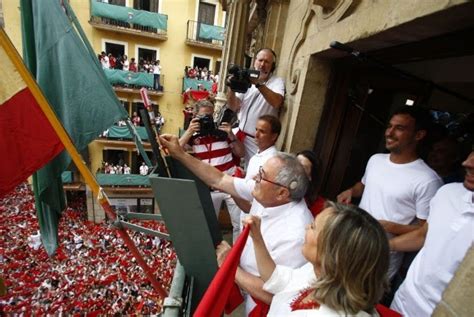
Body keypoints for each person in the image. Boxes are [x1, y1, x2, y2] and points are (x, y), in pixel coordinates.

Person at [159, 134, 313, 315]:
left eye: (262, 175)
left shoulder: (296, 233)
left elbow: (276, 294)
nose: (255, 176)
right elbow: (219, 180)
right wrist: (180, 154)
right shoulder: (267, 191)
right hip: (246, 292)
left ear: (282, 193)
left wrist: (230, 266)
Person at [337, 106, 443, 280]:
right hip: (350, 241)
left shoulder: (428, 180)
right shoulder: (376, 159)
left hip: (379, 259)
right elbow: (363, 185)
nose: (390, 132)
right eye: (389, 126)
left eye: (399, 128)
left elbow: (426, 231)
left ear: (419, 135)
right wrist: (350, 191)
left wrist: (389, 227)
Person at [242, 201, 389, 316]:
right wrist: (257, 238)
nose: (306, 227)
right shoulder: (318, 272)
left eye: (313, 226)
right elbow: (277, 279)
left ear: (331, 253)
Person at [390, 150, 474, 316]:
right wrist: (379, 245)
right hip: (401, 303)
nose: (468, 163)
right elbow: (424, 235)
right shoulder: (448, 192)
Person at [179, 100, 245, 241]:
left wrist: (231, 136)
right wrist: (190, 131)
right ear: (195, 116)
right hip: (210, 187)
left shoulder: (223, 132)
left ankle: (237, 258)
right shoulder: (193, 137)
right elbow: (175, 150)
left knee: (239, 224)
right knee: (209, 225)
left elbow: (241, 153)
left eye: (209, 116)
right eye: (203, 116)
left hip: (230, 183)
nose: (207, 119)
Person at [227, 48, 285, 166]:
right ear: (255, 62)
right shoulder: (245, 79)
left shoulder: (277, 82)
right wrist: (231, 88)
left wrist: (258, 83)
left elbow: (277, 102)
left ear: (272, 66)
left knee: (253, 172)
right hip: (239, 135)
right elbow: (234, 106)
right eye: (260, 60)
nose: (262, 65)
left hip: (257, 141)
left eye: (267, 62)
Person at [296, 150, 326, 217]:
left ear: (310, 176)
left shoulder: (319, 206)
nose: (296, 169)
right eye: (295, 164)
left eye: (302, 167)